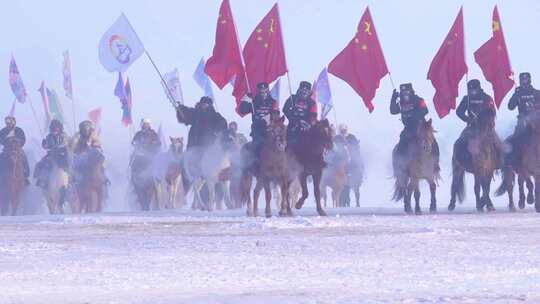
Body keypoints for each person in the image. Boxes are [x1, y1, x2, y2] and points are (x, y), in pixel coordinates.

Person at [455, 79, 502, 164]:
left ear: (479, 88)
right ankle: (460, 161)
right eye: (470, 89)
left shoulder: (487, 98)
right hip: (472, 127)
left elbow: (493, 111)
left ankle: (500, 162)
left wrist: (486, 119)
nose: (472, 91)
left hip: (486, 127)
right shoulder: (467, 99)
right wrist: (468, 119)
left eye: (474, 89)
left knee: (499, 144)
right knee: (459, 143)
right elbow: (459, 111)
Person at [507, 72, 540, 166]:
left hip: (537, 121)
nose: (524, 82)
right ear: (520, 81)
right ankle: (513, 160)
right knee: (515, 139)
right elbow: (510, 107)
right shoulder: (518, 93)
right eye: (523, 80)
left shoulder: (537, 93)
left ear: (529, 80)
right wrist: (515, 95)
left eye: (526, 79)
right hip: (522, 122)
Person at [238, 82, 279, 154]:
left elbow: (276, 115)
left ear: (267, 91)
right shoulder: (253, 102)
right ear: (258, 92)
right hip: (257, 130)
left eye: (265, 92)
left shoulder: (273, 102)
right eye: (261, 92)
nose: (263, 94)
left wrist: (268, 119)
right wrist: (246, 99)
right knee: (257, 146)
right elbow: (242, 110)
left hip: (270, 129)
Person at [34, 119, 70, 188]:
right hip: (52, 155)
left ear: (60, 127)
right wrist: (44, 144)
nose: (55, 129)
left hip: (62, 155)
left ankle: (72, 180)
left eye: (57, 127)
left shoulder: (64, 135)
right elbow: (47, 146)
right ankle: (43, 180)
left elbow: (67, 143)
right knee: (43, 164)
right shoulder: (49, 136)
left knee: (70, 164)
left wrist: (62, 147)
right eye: (53, 127)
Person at [283, 81, 318, 149]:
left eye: (306, 90)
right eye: (303, 89)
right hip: (293, 126)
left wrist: (308, 123)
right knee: (290, 145)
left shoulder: (312, 102)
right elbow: (285, 109)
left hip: (305, 127)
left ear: (309, 92)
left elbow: (313, 115)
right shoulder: (292, 98)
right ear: (299, 89)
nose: (304, 92)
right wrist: (293, 119)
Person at [0, 116, 30, 184]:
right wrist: (7, 141)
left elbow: (23, 139)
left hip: (18, 149)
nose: (8, 123)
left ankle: (25, 175)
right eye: (7, 121)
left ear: (13, 122)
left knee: (23, 158)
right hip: (7, 150)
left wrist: (17, 141)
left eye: (10, 121)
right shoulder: (3, 131)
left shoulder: (18, 130)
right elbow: (0, 139)